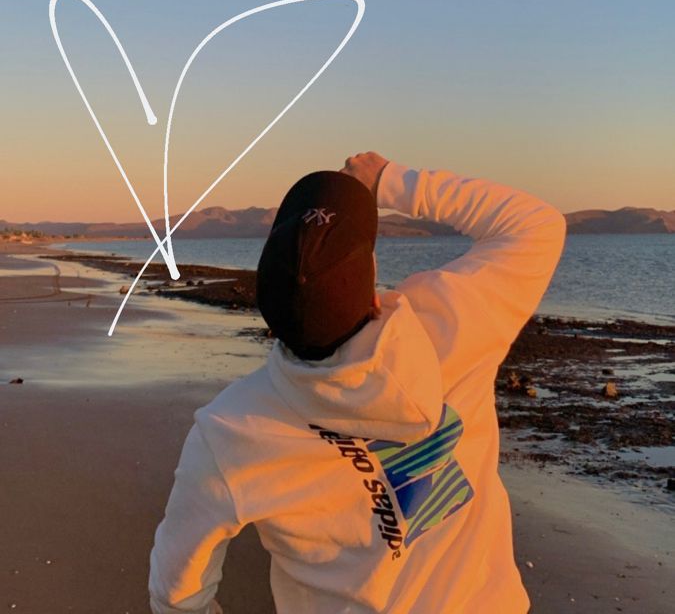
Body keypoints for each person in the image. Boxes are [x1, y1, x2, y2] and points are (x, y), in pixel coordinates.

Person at [148, 151, 566, 614]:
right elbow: (535, 224)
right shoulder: (448, 323)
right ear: (371, 292)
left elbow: (176, 591)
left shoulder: (231, 430)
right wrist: (386, 179)